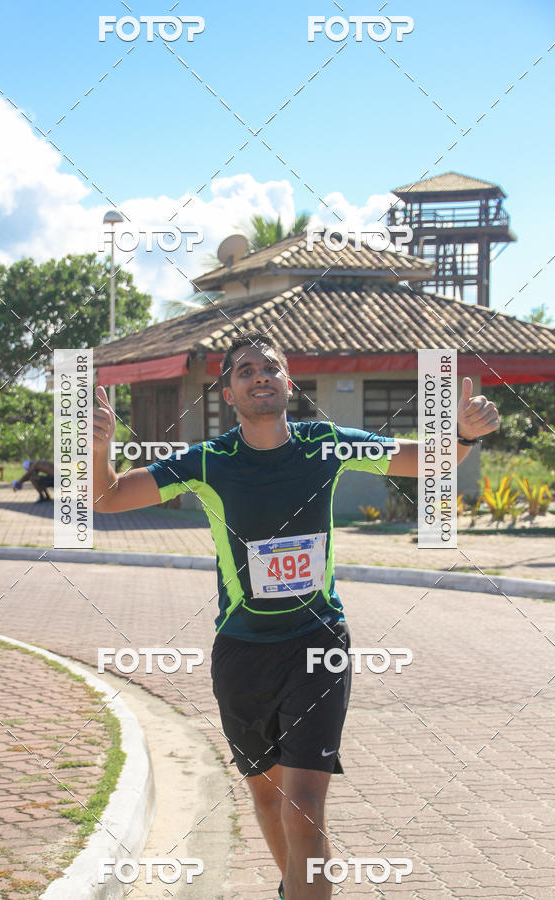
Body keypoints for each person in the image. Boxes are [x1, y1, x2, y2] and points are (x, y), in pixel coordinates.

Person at [92, 332, 499, 899]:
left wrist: (459, 434)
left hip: (318, 642)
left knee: (304, 806)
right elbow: (107, 497)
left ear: (289, 384)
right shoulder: (209, 461)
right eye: (244, 371)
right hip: (241, 652)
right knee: (267, 797)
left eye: (270, 368)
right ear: (229, 395)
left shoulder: (324, 445)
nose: (259, 376)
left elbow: (429, 460)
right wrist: (98, 447)